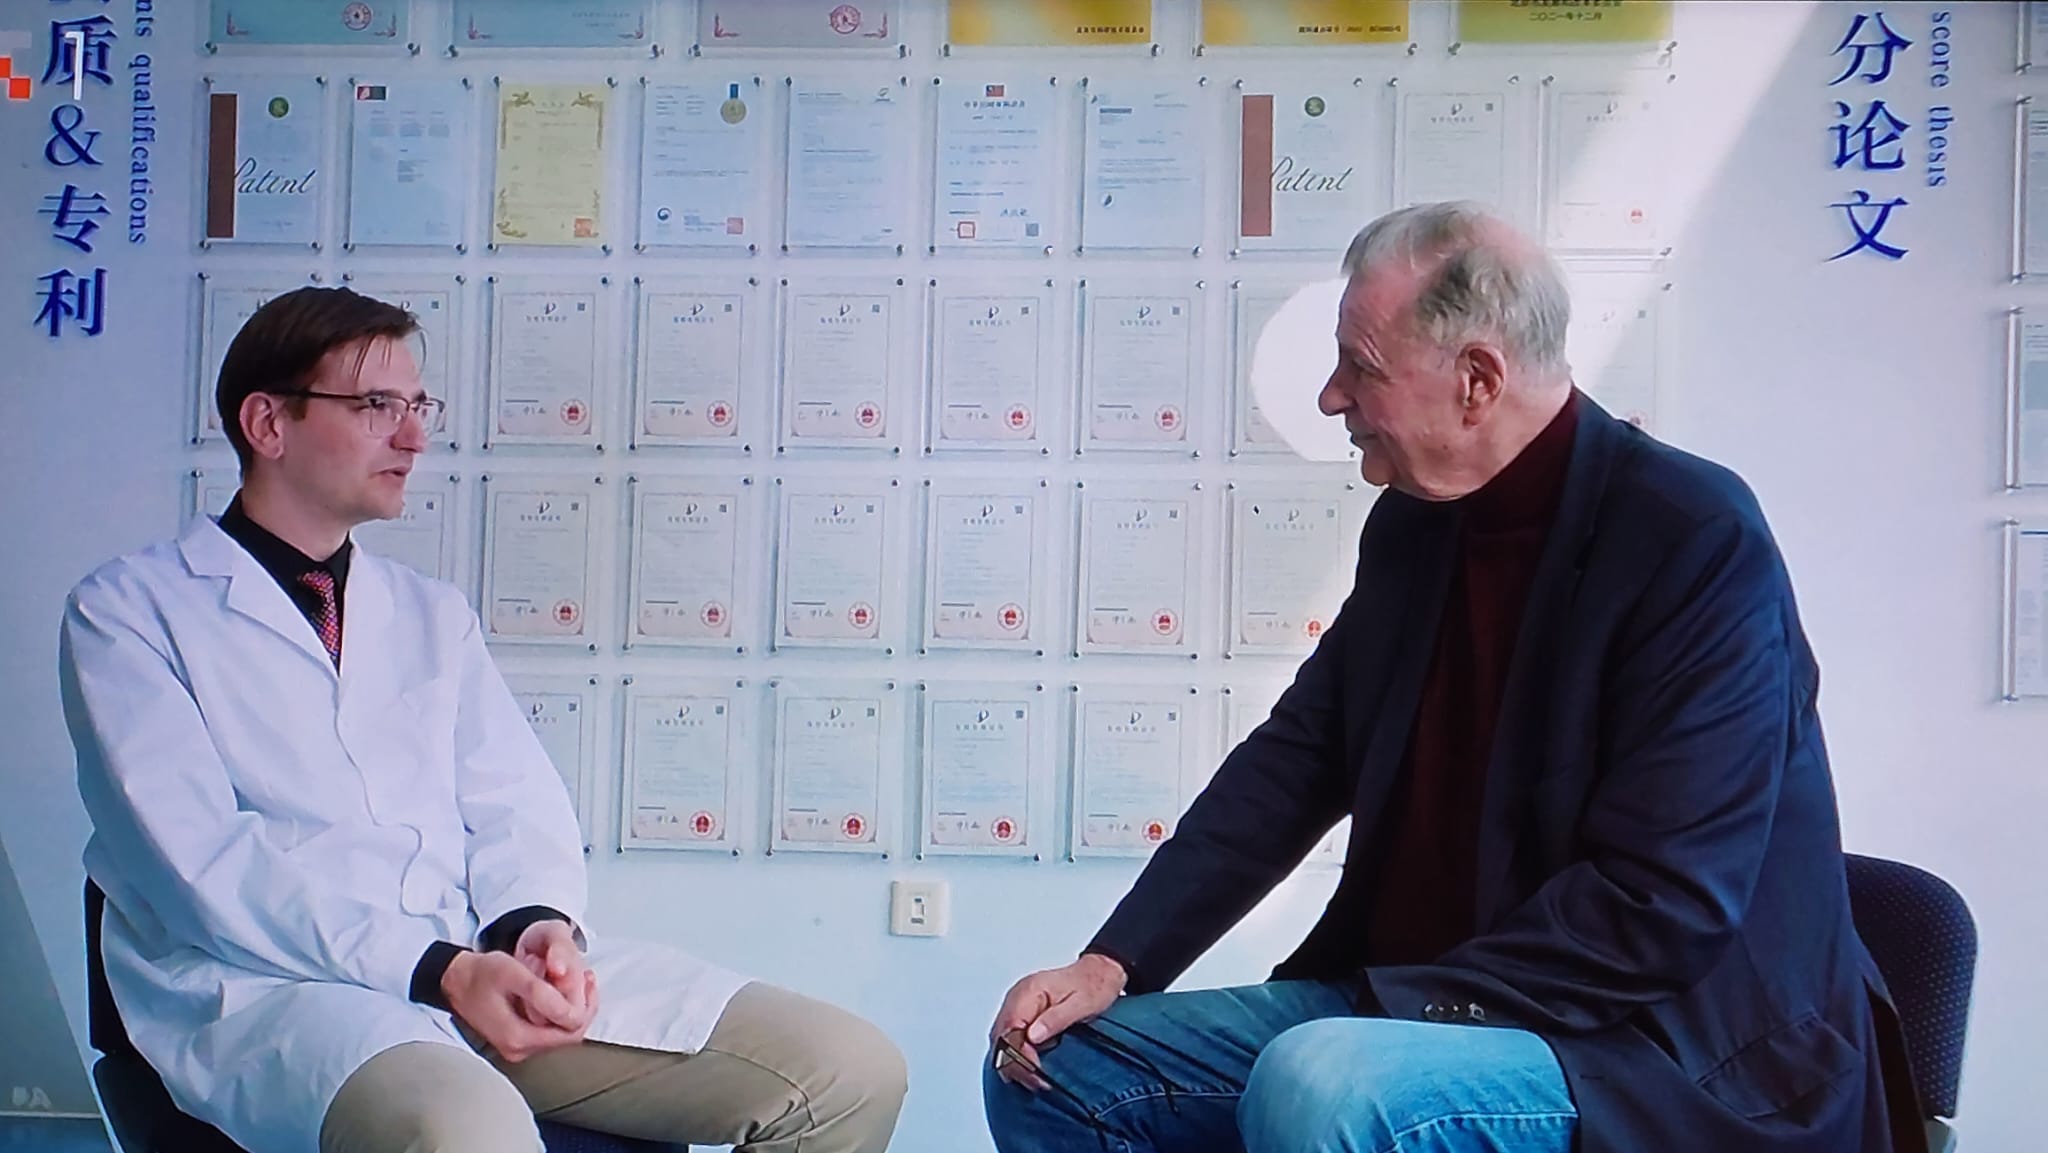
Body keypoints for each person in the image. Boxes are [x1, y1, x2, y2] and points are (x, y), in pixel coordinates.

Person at [983, 203, 1924, 1153]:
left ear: (1477, 380)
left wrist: (1400, 1012)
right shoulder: (1415, 525)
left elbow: (1663, 903)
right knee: (1056, 1067)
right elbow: (1297, 758)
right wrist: (1118, 959)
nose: (1331, 397)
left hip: (1652, 1045)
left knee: (1326, 1083)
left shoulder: (1693, 538)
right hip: (1420, 1001)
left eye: (1360, 366)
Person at [59, 286, 907, 1153]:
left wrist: (537, 925)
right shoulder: (128, 613)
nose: (413, 436)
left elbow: (515, 802)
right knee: (466, 1128)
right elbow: (202, 863)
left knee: (846, 1072)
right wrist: (435, 970)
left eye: (417, 405)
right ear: (268, 423)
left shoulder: (430, 614)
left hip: (476, 963)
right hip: (275, 992)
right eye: (377, 405)